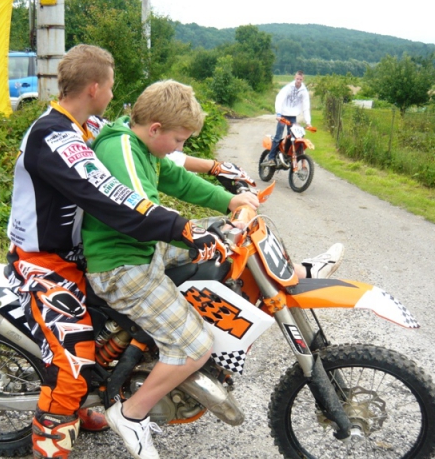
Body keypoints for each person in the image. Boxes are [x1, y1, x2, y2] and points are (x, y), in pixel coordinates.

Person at [81, 79, 343, 459]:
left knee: (230, 246)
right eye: (179, 140)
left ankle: (295, 272)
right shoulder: (121, 148)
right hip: (122, 266)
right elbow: (142, 210)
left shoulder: (142, 146)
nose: (180, 148)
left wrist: (229, 201)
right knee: (194, 347)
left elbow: (178, 180)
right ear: (155, 128)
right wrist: (192, 234)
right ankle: (131, 414)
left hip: (143, 249)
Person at [4, 45, 226, 459]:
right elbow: (107, 194)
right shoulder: (53, 136)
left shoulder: (87, 125)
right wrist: (181, 227)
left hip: (77, 256)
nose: (113, 93)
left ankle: (98, 398)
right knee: (71, 363)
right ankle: (51, 445)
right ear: (95, 87)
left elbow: (162, 152)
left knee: (104, 338)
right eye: (110, 85)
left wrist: (214, 168)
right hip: (45, 263)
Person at [265, 70, 311, 167]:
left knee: (293, 137)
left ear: (303, 79)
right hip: (283, 115)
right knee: (278, 136)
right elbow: (279, 99)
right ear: (295, 78)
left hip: (293, 116)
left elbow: (306, 106)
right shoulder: (288, 88)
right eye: (297, 79)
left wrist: (308, 122)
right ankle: (271, 158)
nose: (298, 81)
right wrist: (278, 114)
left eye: (300, 79)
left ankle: (287, 155)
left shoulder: (304, 91)